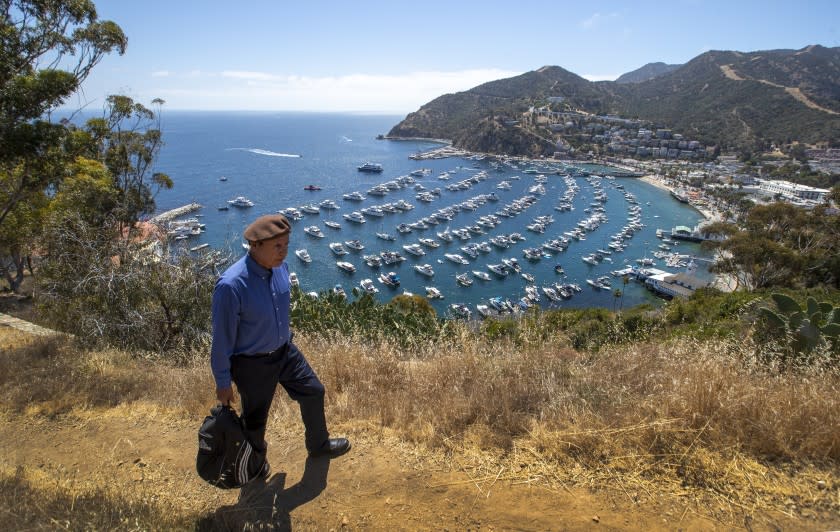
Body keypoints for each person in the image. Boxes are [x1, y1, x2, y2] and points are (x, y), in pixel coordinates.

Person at [210, 214, 350, 476]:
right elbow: (221, 339)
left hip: (285, 351)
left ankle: (318, 445)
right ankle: (254, 467)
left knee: (314, 391)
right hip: (252, 364)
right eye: (277, 247)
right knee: (254, 421)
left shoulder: (281, 269)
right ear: (255, 246)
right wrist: (222, 381)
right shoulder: (231, 286)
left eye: (286, 245)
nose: (284, 252)